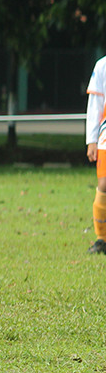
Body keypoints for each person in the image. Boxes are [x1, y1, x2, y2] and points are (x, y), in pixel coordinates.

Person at [86, 54, 106, 254]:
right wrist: (92, 139)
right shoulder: (102, 66)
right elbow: (95, 105)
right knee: (104, 183)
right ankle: (102, 239)